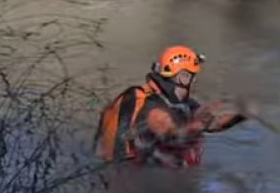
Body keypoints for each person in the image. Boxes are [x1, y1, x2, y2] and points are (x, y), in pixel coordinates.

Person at [94, 45, 251, 169]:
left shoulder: (180, 103)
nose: (195, 81)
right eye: (192, 76)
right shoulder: (153, 108)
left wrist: (242, 113)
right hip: (135, 187)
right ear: (182, 77)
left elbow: (213, 123)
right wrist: (198, 125)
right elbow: (171, 134)